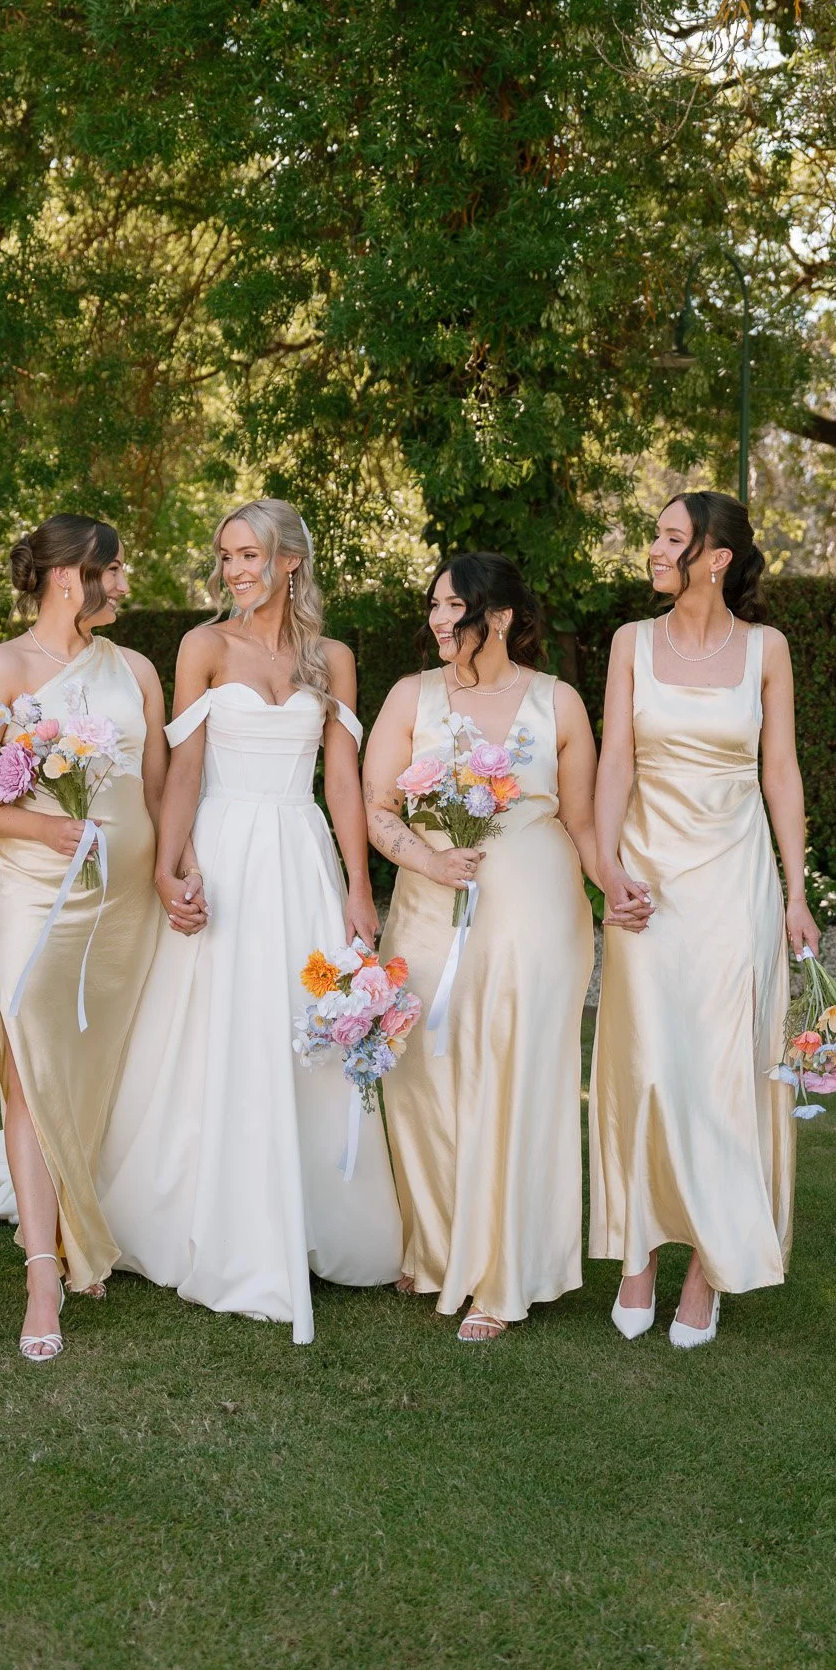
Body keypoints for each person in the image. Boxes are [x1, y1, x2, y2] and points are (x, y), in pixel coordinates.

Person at [97, 499, 402, 1343]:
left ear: (290, 561)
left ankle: (313, 1220)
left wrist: (358, 886)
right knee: (218, 1027)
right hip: (225, 853)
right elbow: (184, 769)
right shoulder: (202, 647)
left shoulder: (330, 658)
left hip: (301, 853)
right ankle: (216, 1218)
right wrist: (169, 863)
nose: (235, 569)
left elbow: (341, 779)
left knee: (305, 1027)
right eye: (226, 555)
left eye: (250, 554)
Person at [0, 515, 189, 1363]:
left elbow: (157, 789)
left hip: (124, 902)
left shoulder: (136, 670)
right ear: (66, 576)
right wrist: (42, 831)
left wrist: (172, 870)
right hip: (34, 898)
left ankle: (82, 1228)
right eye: (113, 571)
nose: (124, 584)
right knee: (30, 1069)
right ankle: (43, 1270)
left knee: (95, 1068)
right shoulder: (2, 671)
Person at [590, 490, 819, 1349]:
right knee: (646, 1064)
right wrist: (607, 868)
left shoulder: (766, 649)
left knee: (726, 1071)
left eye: (670, 537)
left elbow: (781, 773)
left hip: (734, 886)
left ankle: (707, 1269)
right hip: (646, 883)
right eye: (655, 534)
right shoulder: (629, 643)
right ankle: (639, 1252)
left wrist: (794, 892)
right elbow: (615, 761)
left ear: (715, 557)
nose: (654, 548)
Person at [362, 552, 599, 1340]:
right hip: (431, 908)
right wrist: (426, 858)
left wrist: (621, 886)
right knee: (423, 1074)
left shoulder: (557, 702)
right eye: (432, 604)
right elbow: (376, 804)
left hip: (536, 910)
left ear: (496, 617)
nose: (436, 619)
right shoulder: (410, 697)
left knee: (515, 1075)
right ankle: (436, 1249)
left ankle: (503, 1273)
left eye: (452, 606)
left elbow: (585, 820)